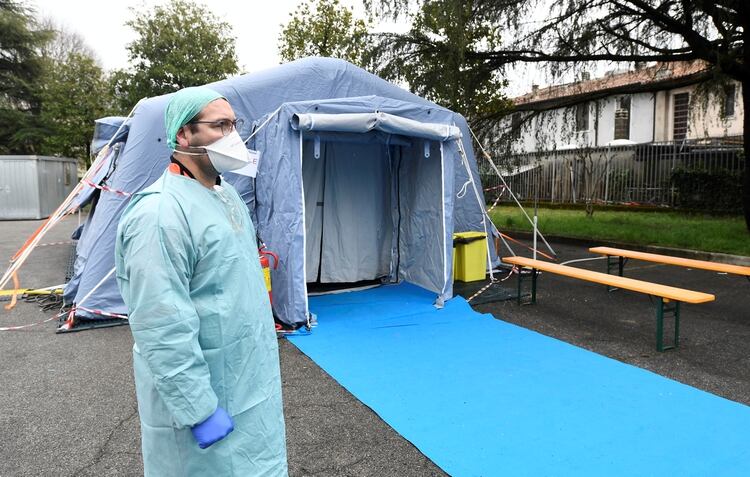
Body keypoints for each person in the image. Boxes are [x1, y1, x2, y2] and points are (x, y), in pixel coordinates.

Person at [115, 86, 288, 476]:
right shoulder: (160, 214)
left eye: (234, 124)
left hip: (249, 387)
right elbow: (161, 326)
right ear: (183, 134)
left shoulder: (226, 197)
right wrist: (198, 409)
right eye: (220, 125)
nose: (233, 136)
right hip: (205, 405)